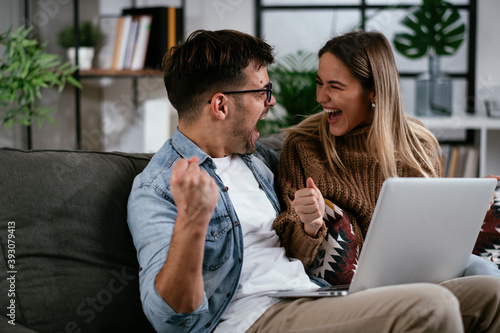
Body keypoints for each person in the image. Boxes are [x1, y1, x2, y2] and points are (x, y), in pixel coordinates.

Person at [127, 29, 500, 333]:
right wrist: (193, 220)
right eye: (262, 92)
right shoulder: (158, 189)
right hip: (254, 317)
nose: (270, 103)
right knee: (432, 307)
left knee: (491, 292)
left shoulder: (259, 162)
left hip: (313, 297)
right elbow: (170, 319)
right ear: (221, 106)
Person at [273, 29, 500, 290]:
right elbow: (292, 256)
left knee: (484, 273)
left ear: (374, 91)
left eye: (335, 86)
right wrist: (310, 227)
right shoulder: (303, 147)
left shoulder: (418, 147)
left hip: (422, 271)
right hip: (356, 288)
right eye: (319, 82)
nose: (320, 97)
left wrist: (467, 211)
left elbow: (433, 239)